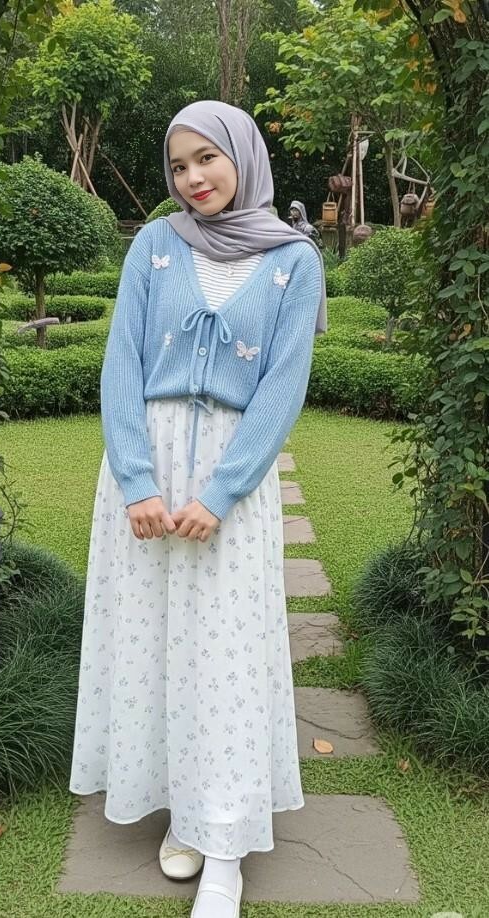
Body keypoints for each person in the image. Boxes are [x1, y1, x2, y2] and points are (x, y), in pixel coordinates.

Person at [69, 100, 327, 918]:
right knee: (150, 640)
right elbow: (121, 363)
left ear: (242, 157)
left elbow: (282, 385)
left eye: (206, 158)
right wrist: (137, 481)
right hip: (144, 472)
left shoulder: (293, 259)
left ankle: (223, 845)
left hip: (230, 479)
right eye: (178, 165)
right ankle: (180, 807)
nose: (192, 178)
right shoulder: (154, 246)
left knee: (224, 652)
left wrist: (219, 493)